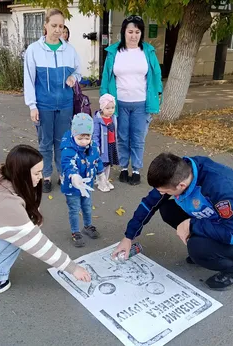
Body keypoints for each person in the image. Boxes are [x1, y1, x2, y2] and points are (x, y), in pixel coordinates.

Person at [0, 145, 91, 295]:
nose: (41, 176)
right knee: (22, 235)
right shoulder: (5, 204)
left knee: (25, 227)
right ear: (22, 173)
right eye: (37, 173)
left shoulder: (0, 172)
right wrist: (73, 268)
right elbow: (37, 243)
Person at [112, 153, 233, 291]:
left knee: (197, 248)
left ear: (181, 185)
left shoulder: (220, 187)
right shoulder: (180, 171)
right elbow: (149, 204)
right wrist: (128, 237)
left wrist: (191, 224)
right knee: (167, 209)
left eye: (165, 191)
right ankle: (208, 251)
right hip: (218, 221)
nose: (160, 193)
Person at [100, 15, 163, 186]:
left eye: (137, 31)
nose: (133, 35)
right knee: (121, 137)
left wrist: (158, 95)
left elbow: (156, 75)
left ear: (141, 33)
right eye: (130, 31)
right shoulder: (114, 52)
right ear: (124, 32)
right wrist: (104, 99)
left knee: (138, 137)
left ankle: (135, 169)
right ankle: (123, 168)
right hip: (119, 104)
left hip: (141, 103)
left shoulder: (147, 51)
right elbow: (106, 78)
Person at [24, 9, 81, 193]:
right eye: (54, 25)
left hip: (65, 105)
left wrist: (74, 78)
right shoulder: (34, 50)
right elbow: (29, 80)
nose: (57, 30)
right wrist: (32, 106)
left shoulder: (69, 50)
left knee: (63, 142)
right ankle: (46, 176)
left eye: (61, 26)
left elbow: (78, 71)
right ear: (45, 26)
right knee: (45, 143)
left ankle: (63, 175)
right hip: (44, 105)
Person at [60, 113, 107, 247]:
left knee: (87, 206)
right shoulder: (68, 149)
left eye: (87, 138)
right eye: (80, 138)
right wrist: (74, 176)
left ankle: (87, 226)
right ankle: (75, 231)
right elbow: (67, 164)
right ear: (74, 134)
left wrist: (100, 173)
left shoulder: (92, 147)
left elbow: (97, 159)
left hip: (87, 184)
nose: (84, 141)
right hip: (72, 186)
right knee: (74, 209)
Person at [93, 93, 119, 192]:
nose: (111, 110)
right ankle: (100, 181)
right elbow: (95, 134)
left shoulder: (113, 118)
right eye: (108, 108)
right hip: (102, 147)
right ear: (102, 108)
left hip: (111, 145)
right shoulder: (98, 119)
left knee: (108, 164)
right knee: (102, 164)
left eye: (112, 107)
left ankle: (106, 179)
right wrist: (97, 146)